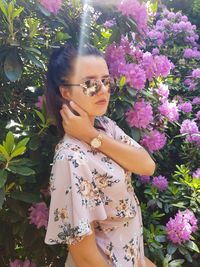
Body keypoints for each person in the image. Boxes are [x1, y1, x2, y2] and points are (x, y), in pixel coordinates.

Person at [44, 42, 157, 267]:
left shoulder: (105, 127)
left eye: (106, 81)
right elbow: (85, 258)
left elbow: (146, 165)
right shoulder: (71, 158)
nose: (103, 90)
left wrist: (91, 135)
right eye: (89, 84)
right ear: (65, 91)